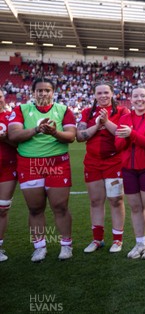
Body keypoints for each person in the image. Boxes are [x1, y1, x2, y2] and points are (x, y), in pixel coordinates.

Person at [7, 78, 77, 262]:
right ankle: (39, 247)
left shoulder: (63, 110)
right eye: (40, 90)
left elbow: (71, 136)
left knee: (60, 207)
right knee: (35, 208)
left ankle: (66, 245)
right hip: (29, 164)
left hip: (57, 164)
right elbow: (13, 135)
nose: (44, 93)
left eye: (47, 90)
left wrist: (54, 133)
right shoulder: (21, 109)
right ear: (33, 93)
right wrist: (37, 129)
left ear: (53, 92)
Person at [77, 82, 130, 254]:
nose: (103, 96)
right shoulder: (87, 112)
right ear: (94, 95)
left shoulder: (122, 111)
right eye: (99, 93)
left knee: (116, 200)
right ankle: (97, 239)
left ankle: (117, 240)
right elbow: (79, 136)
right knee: (95, 201)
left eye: (106, 92)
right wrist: (96, 125)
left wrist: (106, 122)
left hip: (114, 161)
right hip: (92, 162)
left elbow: (122, 132)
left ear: (112, 93)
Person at [115, 86, 145, 260]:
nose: (139, 99)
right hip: (129, 168)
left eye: (143, 96)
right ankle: (140, 242)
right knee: (135, 207)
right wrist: (126, 137)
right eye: (136, 96)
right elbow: (118, 145)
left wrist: (131, 134)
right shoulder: (125, 117)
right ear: (131, 99)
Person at [0, 90, 18, 262]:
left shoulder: (10, 116)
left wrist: (5, 139)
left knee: (2, 208)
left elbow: (18, 143)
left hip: (8, 167)